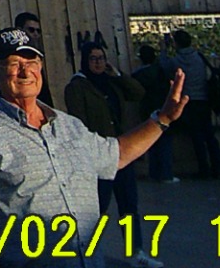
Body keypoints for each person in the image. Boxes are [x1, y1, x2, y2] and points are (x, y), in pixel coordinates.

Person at [0, 28, 186, 263]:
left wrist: (162, 120)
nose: (25, 72)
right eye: (13, 63)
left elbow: (116, 155)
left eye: (31, 61)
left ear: (41, 66)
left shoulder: (69, 126)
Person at [63, 45, 159, 267]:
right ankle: (88, 250)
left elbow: (138, 93)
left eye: (101, 58)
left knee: (128, 204)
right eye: (93, 59)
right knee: (97, 208)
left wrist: (117, 74)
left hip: (120, 151)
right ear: (85, 61)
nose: (97, 63)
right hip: (97, 156)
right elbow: (78, 121)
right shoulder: (77, 87)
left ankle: (136, 252)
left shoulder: (111, 82)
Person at [169, 31, 220, 179]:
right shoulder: (199, 58)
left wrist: (162, 49)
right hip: (203, 99)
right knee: (209, 135)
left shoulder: (175, 61)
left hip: (187, 101)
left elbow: (164, 65)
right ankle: (217, 166)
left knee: (196, 136)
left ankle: (203, 168)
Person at [129, 47, 178, 184]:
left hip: (146, 109)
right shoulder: (161, 71)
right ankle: (166, 174)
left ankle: (154, 172)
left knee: (150, 142)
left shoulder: (138, 75)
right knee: (165, 142)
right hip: (162, 108)